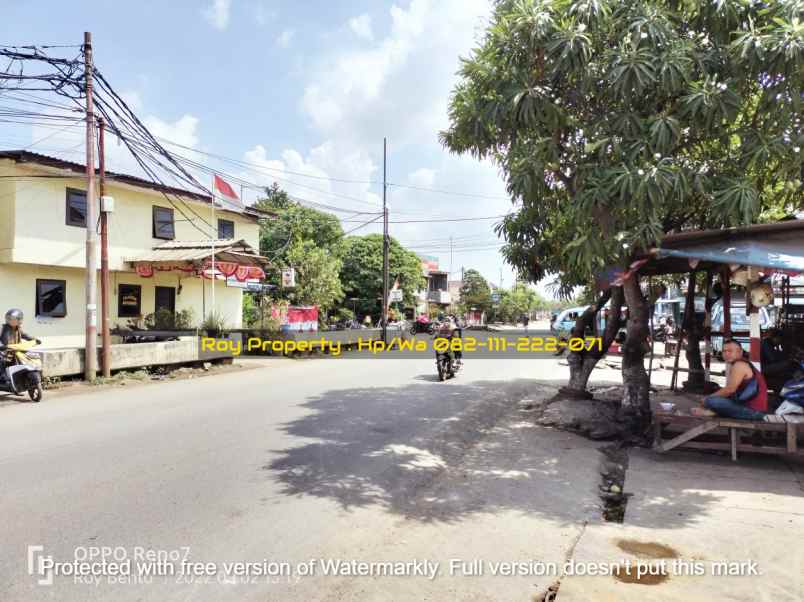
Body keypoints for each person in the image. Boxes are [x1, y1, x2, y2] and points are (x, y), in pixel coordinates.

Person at [702, 339, 771, 421]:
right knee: (717, 398)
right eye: (724, 351)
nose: (726, 354)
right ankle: (714, 411)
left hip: (754, 411)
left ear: (740, 352)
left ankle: (714, 411)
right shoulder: (740, 363)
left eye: (730, 351)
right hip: (749, 408)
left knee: (711, 401)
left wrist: (707, 399)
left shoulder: (739, 365)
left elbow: (730, 390)